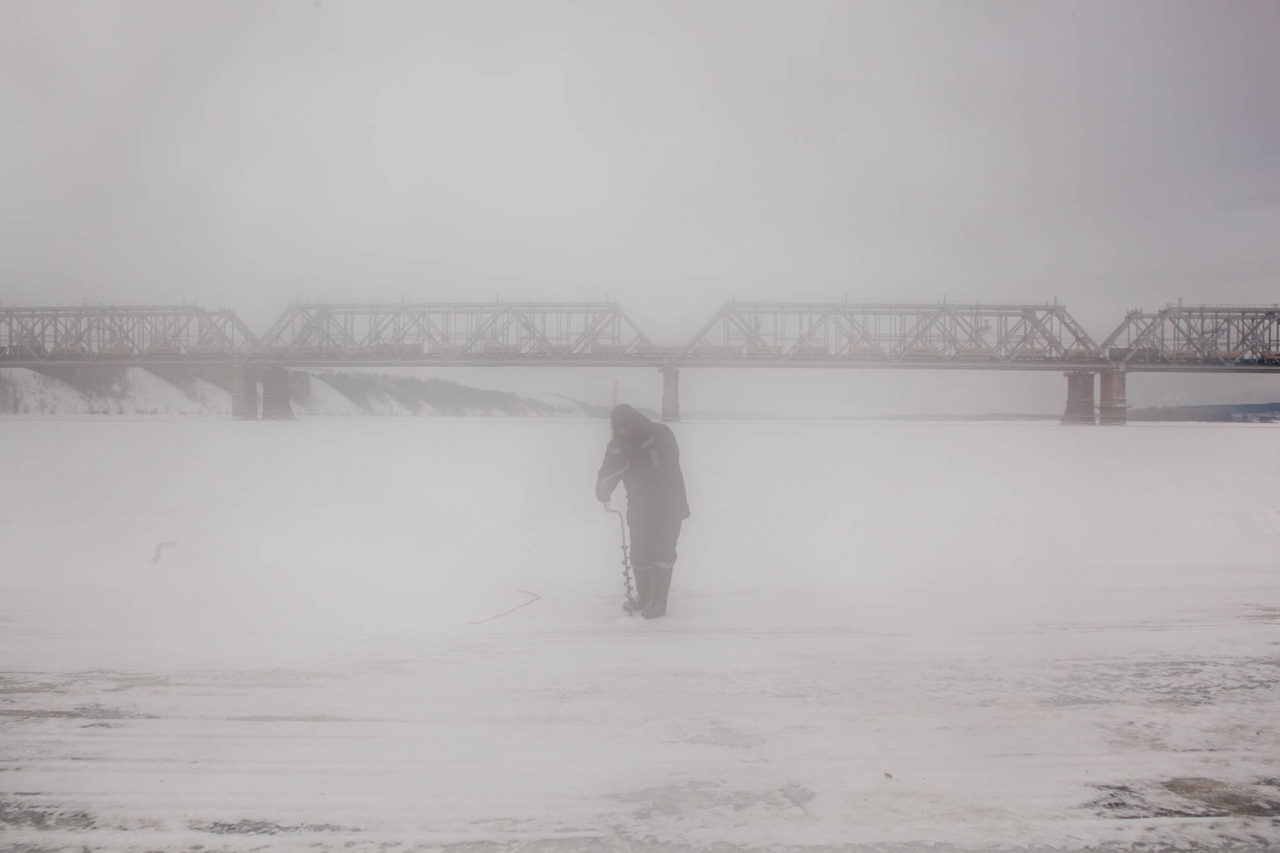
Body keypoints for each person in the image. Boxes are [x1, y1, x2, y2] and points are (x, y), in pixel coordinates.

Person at [595, 403, 690, 618]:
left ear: (636, 420)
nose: (625, 430)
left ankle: (659, 602)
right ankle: (644, 597)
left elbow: (667, 463)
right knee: (639, 552)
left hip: (669, 504)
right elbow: (609, 469)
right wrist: (603, 488)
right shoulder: (617, 445)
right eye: (621, 427)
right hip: (639, 506)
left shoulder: (661, 434)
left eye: (628, 425)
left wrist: (634, 455)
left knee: (662, 552)